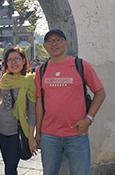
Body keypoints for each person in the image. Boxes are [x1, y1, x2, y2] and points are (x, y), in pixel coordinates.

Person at [35, 29, 106, 174]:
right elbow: (39, 102)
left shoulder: (81, 65)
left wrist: (88, 119)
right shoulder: (41, 70)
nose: (54, 43)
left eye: (58, 40)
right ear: (45, 46)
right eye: (50, 41)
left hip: (77, 134)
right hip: (49, 135)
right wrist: (38, 132)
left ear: (66, 43)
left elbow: (100, 93)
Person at [0, 47, 37, 175]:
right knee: (8, 164)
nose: (13, 62)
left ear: (24, 61)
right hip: (0, 128)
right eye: (10, 60)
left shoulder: (30, 81)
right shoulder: (5, 79)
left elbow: (32, 112)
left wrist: (31, 136)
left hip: (17, 130)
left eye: (17, 59)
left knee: (11, 168)